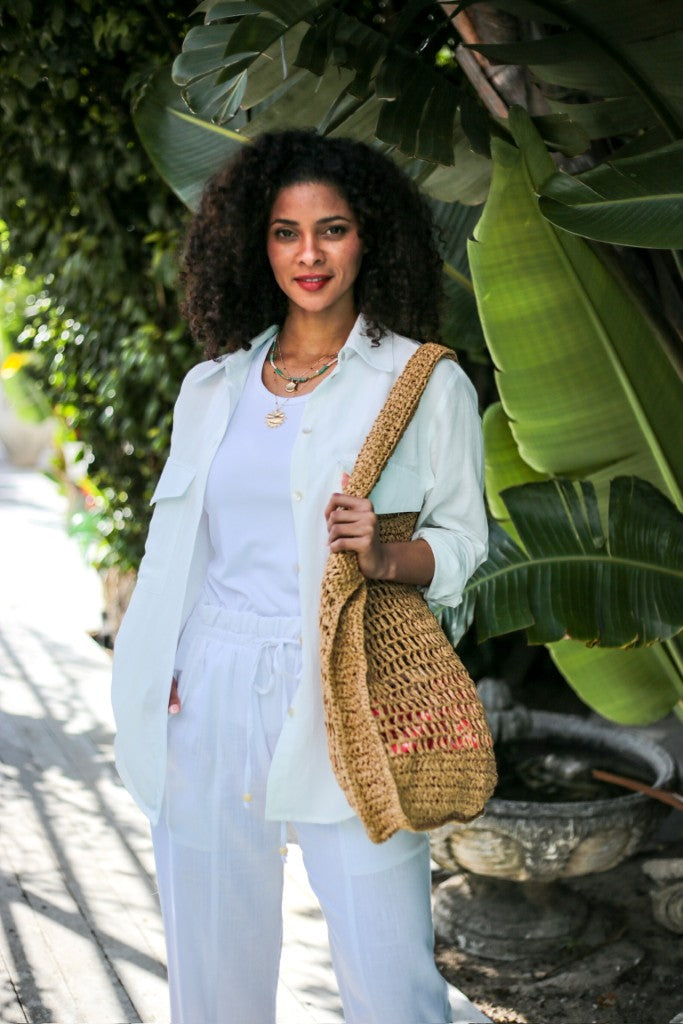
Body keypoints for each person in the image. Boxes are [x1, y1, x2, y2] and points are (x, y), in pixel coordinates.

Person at [111, 129, 491, 1024]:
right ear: (256, 242)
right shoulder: (213, 386)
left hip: (347, 688)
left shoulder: (422, 383)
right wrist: (162, 664)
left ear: (373, 238)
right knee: (210, 967)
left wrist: (384, 554)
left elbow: (466, 547)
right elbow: (184, 553)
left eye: (333, 229)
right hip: (207, 686)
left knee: (388, 971)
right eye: (286, 231)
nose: (309, 254)